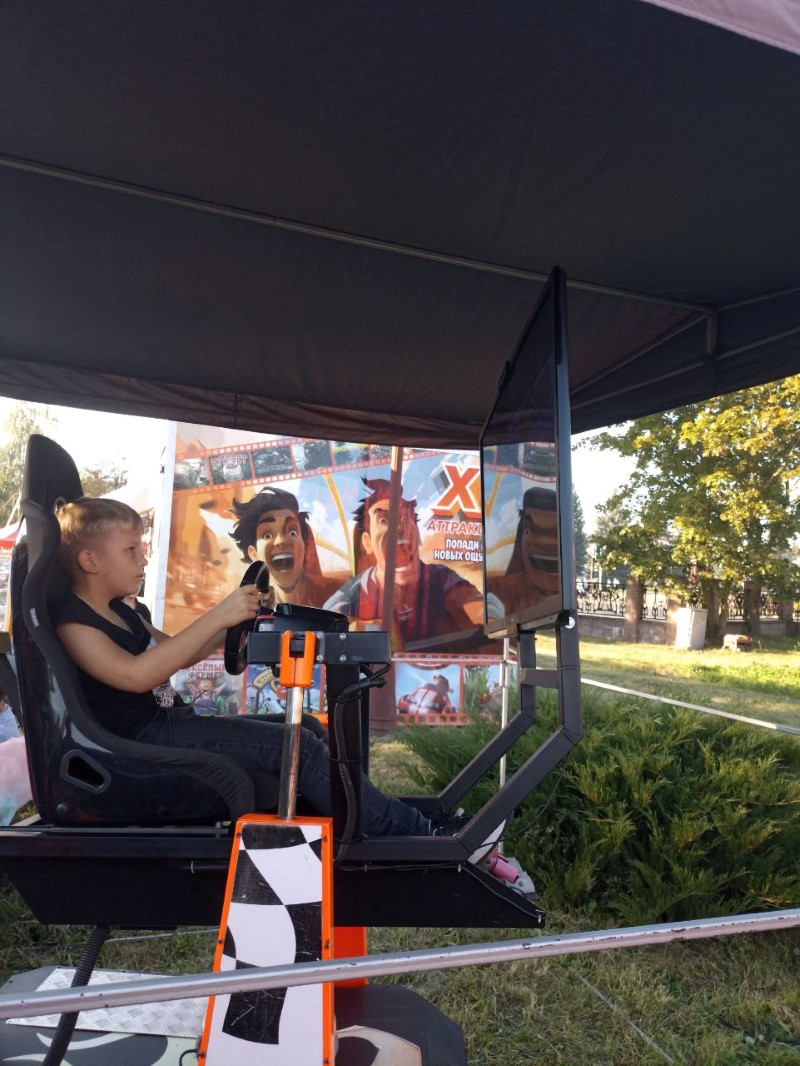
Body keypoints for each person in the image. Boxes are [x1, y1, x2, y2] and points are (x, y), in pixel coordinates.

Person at [52, 497, 477, 842]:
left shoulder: (126, 611)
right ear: (90, 561)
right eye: (131, 550)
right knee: (295, 746)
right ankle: (414, 832)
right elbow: (136, 675)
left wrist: (235, 625)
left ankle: (349, 821)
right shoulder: (75, 625)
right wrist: (220, 614)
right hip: (137, 746)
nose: (143, 558)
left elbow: (179, 654)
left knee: (306, 727)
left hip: (167, 726)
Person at [323, 478, 486, 650]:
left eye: (405, 518)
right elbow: (327, 630)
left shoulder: (442, 578)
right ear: (367, 542)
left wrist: (485, 618)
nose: (398, 527)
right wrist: (368, 631)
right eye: (384, 520)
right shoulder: (350, 598)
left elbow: (483, 610)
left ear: (418, 534)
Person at [228, 487, 339, 609]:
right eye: (267, 535)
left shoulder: (336, 595)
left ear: (304, 544)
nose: (282, 541)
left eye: (292, 532)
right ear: (254, 554)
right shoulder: (250, 610)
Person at [487, 486, 560, 617]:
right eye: (529, 531)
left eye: (554, 533)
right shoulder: (496, 590)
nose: (544, 542)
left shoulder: (563, 601)